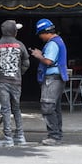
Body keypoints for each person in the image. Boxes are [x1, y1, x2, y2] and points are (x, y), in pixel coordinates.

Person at [0, 20, 30, 147]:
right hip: (16, 81)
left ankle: (8, 138)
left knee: (6, 109)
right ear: (14, 32)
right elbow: (26, 63)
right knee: (16, 108)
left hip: (2, 81)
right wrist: (19, 73)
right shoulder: (20, 45)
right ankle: (20, 136)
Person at [30, 18, 68, 146]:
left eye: (40, 34)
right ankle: (57, 135)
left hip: (52, 80)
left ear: (45, 32)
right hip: (57, 79)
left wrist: (38, 55)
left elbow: (48, 61)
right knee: (55, 108)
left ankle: (54, 136)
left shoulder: (52, 43)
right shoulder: (58, 41)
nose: (40, 37)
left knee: (47, 106)